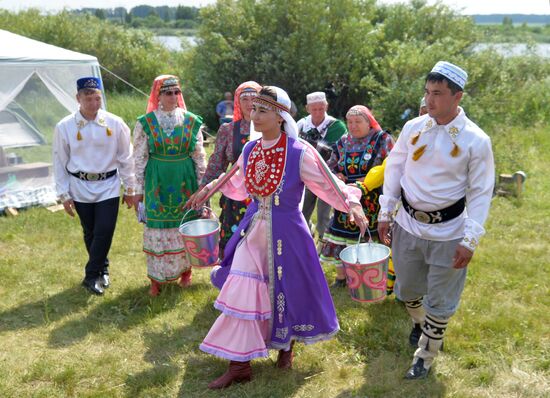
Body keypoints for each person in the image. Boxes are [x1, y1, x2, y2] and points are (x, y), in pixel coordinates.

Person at [187, 86, 368, 389]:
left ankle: (285, 347)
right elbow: (234, 179)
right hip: (254, 228)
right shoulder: (250, 149)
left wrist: (352, 203)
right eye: (253, 109)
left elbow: (328, 183)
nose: (254, 115)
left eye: (262, 110)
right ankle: (239, 364)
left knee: (287, 290)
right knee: (243, 289)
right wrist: (208, 189)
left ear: (280, 116)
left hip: (288, 233)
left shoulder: (299, 153)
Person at [378, 61, 495, 379]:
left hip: (449, 232)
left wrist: (470, 239)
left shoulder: (476, 140)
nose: (430, 101)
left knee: (441, 300)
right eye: (428, 93)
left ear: (458, 96)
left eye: (438, 94)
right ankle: (419, 323)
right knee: (409, 289)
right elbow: (395, 166)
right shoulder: (413, 128)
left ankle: (425, 357)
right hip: (407, 225)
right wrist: (386, 211)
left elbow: (481, 193)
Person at [52, 77, 136, 295]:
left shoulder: (115, 123)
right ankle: (102, 270)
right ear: (78, 98)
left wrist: (130, 188)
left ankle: (90, 275)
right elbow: (59, 161)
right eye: (87, 98)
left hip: (108, 185)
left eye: (97, 97)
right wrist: (64, 194)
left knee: (104, 230)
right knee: (90, 232)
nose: (93, 102)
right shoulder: (65, 126)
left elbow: (126, 157)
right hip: (79, 186)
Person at [132, 75, 206, 297]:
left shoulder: (192, 121)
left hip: (185, 178)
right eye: (167, 92)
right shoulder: (145, 123)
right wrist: (137, 190)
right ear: (158, 96)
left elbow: (199, 156)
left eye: (176, 92)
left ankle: (185, 271)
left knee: (185, 225)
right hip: (157, 180)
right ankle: (156, 279)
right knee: (157, 225)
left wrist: (203, 187)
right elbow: (139, 158)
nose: (173, 97)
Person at [320, 105, 394, 287]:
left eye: (358, 121)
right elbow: (330, 166)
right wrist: (337, 175)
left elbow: (390, 166)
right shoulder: (342, 142)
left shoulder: (382, 139)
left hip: (373, 197)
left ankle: (371, 276)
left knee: (370, 233)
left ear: (369, 122)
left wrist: (366, 181)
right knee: (340, 232)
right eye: (350, 122)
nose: (353, 126)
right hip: (346, 197)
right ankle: (342, 278)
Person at [201, 81, 261, 255]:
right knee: (235, 243)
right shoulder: (228, 130)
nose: (250, 103)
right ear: (237, 103)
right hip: (236, 198)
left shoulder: (272, 129)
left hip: (265, 198)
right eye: (245, 99)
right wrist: (203, 192)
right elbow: (215, 165)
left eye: (254, 98)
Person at [297, 91, 347, 240]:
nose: (318, 112)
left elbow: (343, 150)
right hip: (306, 175)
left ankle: (324, 245)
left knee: (324, 214)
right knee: (303, 211)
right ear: (308, 109)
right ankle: (305, 239)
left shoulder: (337, 126)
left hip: (327, 175)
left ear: (327, 106)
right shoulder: (301, 125)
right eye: (314, 109)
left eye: (321, 108)